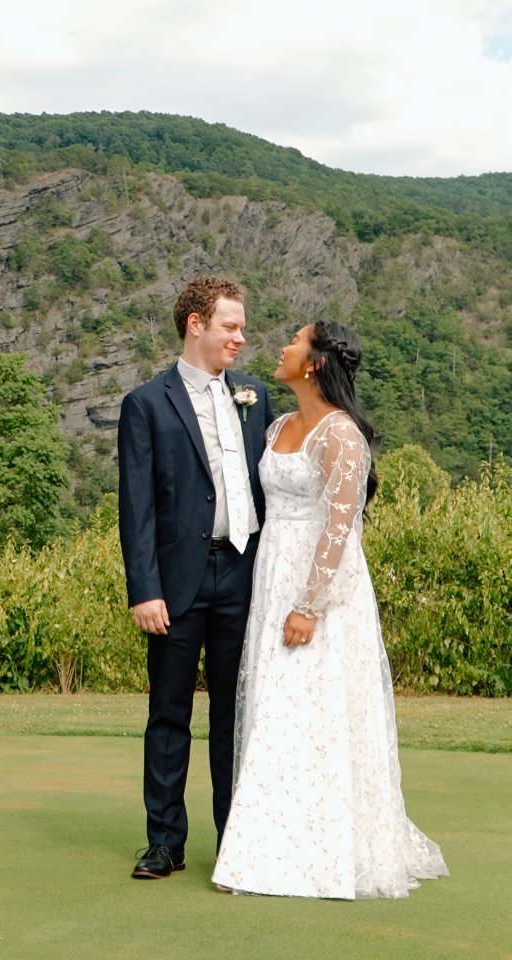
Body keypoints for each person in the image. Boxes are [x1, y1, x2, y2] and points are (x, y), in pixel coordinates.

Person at [213, 320, 449, 898]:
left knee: (314, 705)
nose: (282, 347)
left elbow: (341, 529)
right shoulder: (275, 426)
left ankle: (325, 850)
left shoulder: (343, 436)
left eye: (294, 342)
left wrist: (309, 605)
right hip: (270, 577)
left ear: (314, 362)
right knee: (273, 705)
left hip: (320, 592)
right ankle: (264, 844)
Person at [118, 276, 274, 880]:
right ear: (196, 325)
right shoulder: (146, 404)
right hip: (176, 582)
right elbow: (137, 507)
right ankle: (165, 843)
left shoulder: (255, 397)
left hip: (244, 574)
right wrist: (144, 589)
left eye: (241, 326)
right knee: (169, 714)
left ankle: (235, 841)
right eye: (231, 325)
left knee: (235, 717)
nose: (241, 336)